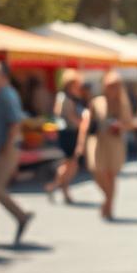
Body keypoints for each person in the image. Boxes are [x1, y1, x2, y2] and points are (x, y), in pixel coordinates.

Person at [0, 60, 34, 246]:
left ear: (3, 76)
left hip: (5, 150)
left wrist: (6, 145)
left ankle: (21, 215)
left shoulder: (6, 95)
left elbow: (15, 123)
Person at [85, 71, 137, 222]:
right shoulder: (97, 102)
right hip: (98, 141)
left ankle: (109, 205)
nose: (112, 89)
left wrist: (119, 125)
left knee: (111, 175)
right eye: (110, 86)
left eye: (115, 86)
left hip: (115, 142)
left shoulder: (124, 103)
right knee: (97, 171)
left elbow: (130, 124)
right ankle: (107, 199)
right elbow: (89, 122)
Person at [44, 69, 86, 204]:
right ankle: (57, 186)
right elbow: (67, 116)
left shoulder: (74, 96)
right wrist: (82, 123)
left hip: (73, 132)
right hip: (68, 133)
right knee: (70, 163)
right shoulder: (64, 98)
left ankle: (59, 187)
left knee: (72, 164)